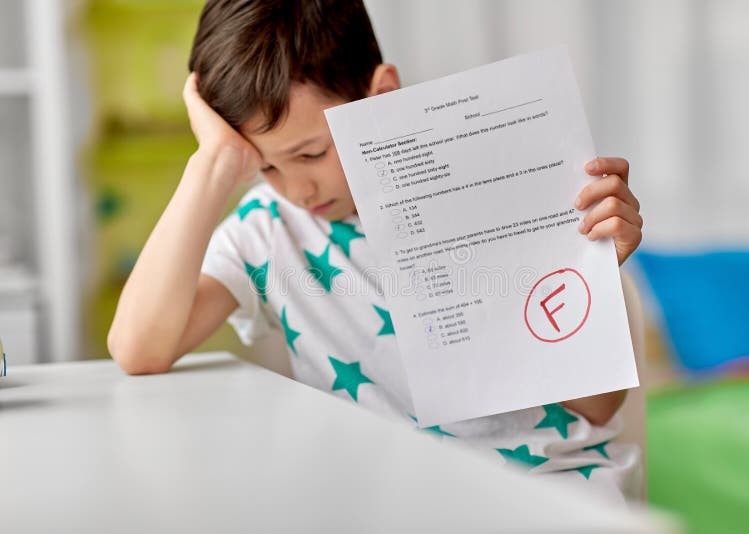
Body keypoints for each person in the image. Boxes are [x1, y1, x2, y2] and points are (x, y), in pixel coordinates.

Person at [108, 0, 645, 502]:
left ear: (380, 94)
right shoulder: (267, 229)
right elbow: (139, 349)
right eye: (264, 165)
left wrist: (589, 275)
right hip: (386, 505)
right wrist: (212, 165)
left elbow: (596, 409)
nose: (299, 190)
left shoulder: (495, 189)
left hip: (550, 494)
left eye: (312, 153)